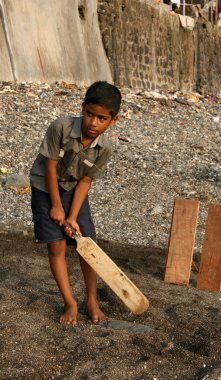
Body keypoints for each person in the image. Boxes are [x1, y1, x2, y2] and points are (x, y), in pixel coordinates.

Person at [30, 81, 122, 325]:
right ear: (82, 108)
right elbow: (49, 167)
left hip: (74, 189)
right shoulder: (61, 127)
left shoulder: (105, 148)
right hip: (45, 187)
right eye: (90, 114)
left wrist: (72, 216)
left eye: (102, 118)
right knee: (56, 246)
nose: (93, 122)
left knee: (87, 246)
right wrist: (56, 206)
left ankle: (91, 299)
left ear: (113, 121)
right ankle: (70, 302)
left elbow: (85, 181)